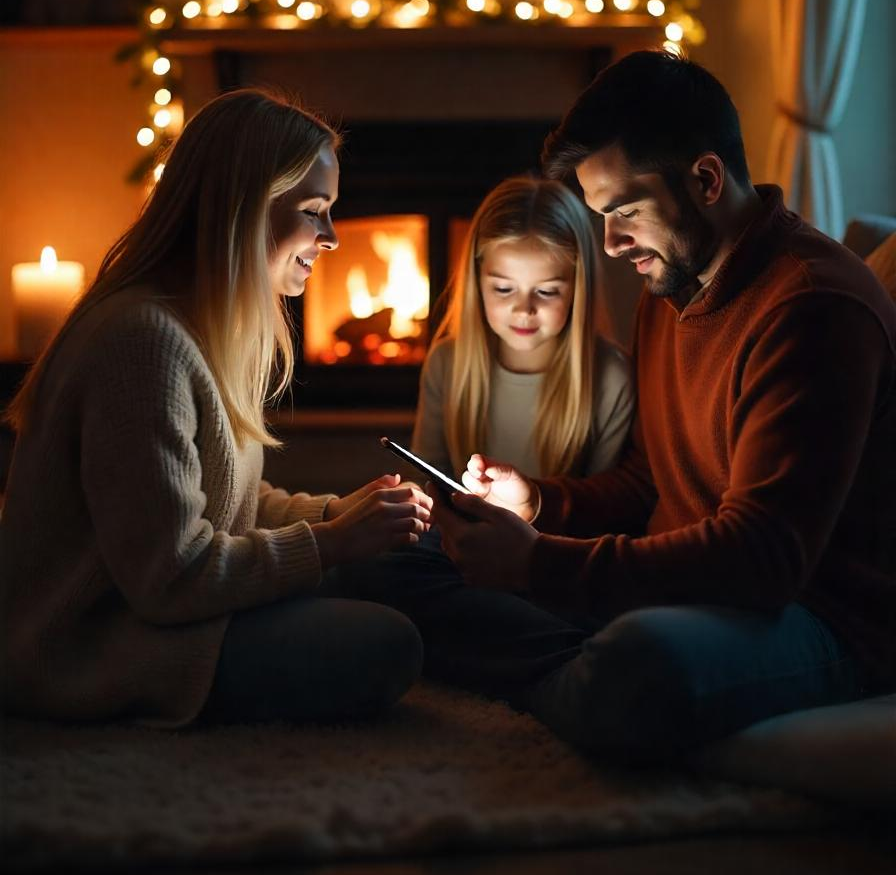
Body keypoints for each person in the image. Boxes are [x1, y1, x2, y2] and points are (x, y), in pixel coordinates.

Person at [345, 50, 896, 767]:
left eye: (623, 211)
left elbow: (765, 561)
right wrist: (534, 502)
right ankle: (577, 669)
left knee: (638, 665)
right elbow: (646, 484)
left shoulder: (814, 306)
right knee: (384, 563)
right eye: (600, 215)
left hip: (814, 621)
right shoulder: (672, 281)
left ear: (704, 179)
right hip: (675, 590)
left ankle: (588, 677)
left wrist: (541, 567)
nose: (609, 242)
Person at [0, 87, 432, 729]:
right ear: (244, 209)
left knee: (406, 568)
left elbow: (228, 503)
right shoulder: (142, 342)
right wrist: (333, 542)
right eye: (314, 211)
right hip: (99, 646)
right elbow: (169, 576)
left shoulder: (200, 329)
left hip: (168, 613)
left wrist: (338, 514)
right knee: (386, 643)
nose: (332, 236)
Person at [412, 174, 633, 484]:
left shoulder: (612, 377)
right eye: (503, 289)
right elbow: (427, 481)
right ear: (477, 283)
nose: (524, 309)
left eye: (547, 291)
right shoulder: (446, 363)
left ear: (576, 289)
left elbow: (603, 502)